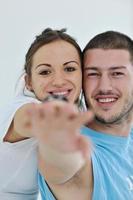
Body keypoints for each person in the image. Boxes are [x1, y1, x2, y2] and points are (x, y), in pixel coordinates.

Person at [29, 31, 133, 200]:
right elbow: (62, 165)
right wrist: (56, 144)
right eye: (93, 73)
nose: (104, 86)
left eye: (117, 73)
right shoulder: (79, 148)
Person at [0, 28, 92, 200]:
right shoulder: (21, 109)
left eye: (69, 69)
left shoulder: (80, 114)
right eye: (45, 72)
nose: (58, 81)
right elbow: (30, 118)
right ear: (28, 82)